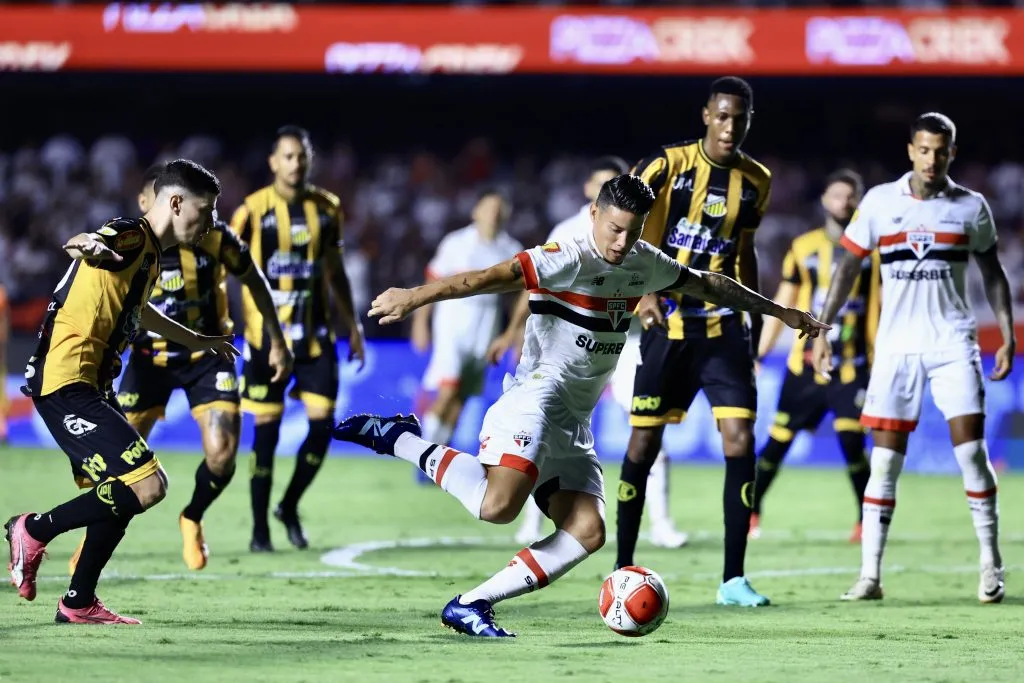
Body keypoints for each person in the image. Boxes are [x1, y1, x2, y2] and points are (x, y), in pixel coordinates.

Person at [334, 174, 826, 636]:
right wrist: (413, 297)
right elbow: (485, 277)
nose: (620, 243)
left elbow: (709, 283)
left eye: (631, 233)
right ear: (593, 214)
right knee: (498, 507)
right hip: (536, 397)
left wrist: (780, 311)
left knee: (588, 531)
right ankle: (398, 438)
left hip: (574, 419)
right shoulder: (563, 257)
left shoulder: (643, 261)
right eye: (614, 229)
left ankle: (471, 604)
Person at [5, 159, 238, 624]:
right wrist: (89, 244)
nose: (211, 221)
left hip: (92, 385)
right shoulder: (131, 235)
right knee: (149, 485)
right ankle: (33, 530)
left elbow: (141, 310)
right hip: (66, 381)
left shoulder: (149, 255)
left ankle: (77, 603)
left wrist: (197, 340)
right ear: (175, 202)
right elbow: (93, 244)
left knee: (120, 492)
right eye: (206, 209)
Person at [812, 113, 1013, 603]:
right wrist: (823, 326)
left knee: (971, 455)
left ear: (952, 154)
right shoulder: (881, 202)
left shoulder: (971, 207)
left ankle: (991, 566)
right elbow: (847, 265)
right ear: (911, 151)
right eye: (923, 150)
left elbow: (993, 274)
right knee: (883, 463)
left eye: (940, 151)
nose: (931, 159)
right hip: (896, 349)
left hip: (953, 344)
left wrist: (1006, 334)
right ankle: (870, 576)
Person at [72, 164, 291, 573]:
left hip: (206, 357)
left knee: (222, 454)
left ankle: (192, 516)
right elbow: (89, 266)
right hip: (148, 359)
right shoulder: (135, 243)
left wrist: (277, 340)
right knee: (116, 465)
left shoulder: (215, 239)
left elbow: (254, 280)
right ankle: (92, 539)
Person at [614, 77, 774, 607]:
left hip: (725, 326)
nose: (731, 127)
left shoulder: (756, 181)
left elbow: (743, 252)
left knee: (740, 441)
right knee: (642, 445)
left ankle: (733, 579)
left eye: (741, 117)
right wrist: (643, 296)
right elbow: (623, 226)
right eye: (723, 116)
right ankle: (621, 568)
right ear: (706, 115)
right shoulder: (665, 166)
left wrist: (753, 310)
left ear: (749, 119)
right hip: (669, 326)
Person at [490, 156, 688, 548]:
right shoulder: (566, 231)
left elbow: (643, 265)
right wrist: (514, 333)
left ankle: (661, 522)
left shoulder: (631, 225)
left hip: (626, 342)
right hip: (570, 345)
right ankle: (532, 521)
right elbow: (532, 281)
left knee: (646, 429)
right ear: (591, 194)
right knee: (546, 434)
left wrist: (649, 300)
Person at [230, 125, 365, 552]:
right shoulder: (251, 211)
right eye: (288, 156)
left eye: (302, 155)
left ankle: (288, 505)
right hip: (265, 340)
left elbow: (334, 271)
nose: (296, 163)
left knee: (322, 427)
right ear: (273, 162)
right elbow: (233, 276)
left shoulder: (327, 208)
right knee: (265, 436)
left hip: (314, 337)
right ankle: (259, 531)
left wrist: (354, 324)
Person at [750, 170, 878, 543]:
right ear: (825, 200)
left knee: (853, 443)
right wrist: (760, 352)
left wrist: (878, 355)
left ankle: (865, 521)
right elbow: (783, 304)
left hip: (851, 367)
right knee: (778, 441)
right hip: (803, 366)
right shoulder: (803, 247)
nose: (844, 203)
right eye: (837, 195)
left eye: (851, 196)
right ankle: (752, 513)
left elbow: (878, 306)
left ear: (859, 201)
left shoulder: (872, 252)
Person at [410, 189, 522, 485]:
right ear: (476, 212)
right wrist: (420, 321)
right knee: (449, 389)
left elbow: (522, 294)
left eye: (499, 209)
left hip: (486, 327)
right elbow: (432, 281)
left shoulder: (510, 248)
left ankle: (435, 462)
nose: (493, 214)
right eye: (488, 208)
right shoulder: (457, 243)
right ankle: (423, 458)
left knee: (460, 398)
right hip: (453, 323)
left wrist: (515, 333)